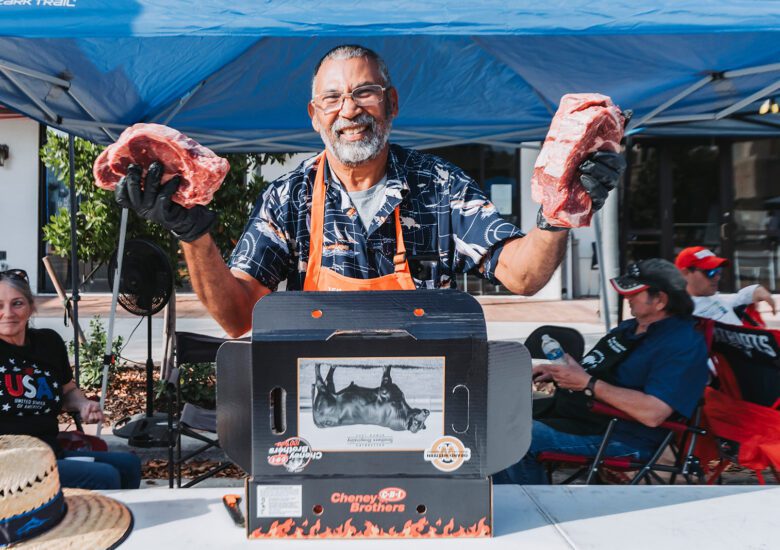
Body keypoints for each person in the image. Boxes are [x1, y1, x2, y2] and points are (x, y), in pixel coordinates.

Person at [115, 44, 625, 337]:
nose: (350, 109)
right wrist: (193, 233)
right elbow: (238, 316)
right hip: (319, 396)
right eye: (332, 98)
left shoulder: (439, 185)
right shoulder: (288, 198)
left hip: (433, 399)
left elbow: (522, 275)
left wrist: (560, 211)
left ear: (392, 102)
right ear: (315, 117)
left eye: (364, 92)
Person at [493, 259, 709, 484]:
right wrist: (563, 371)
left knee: (509, 438)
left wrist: (588, 384)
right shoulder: (630, 328)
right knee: (490, 418)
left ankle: (531, 508)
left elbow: (654, 413)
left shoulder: (682, 344)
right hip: (578, 413)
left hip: (621, 434)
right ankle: (491, 504)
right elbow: (594, 368)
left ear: (660, 300)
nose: (627, 298)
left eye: (635, 292)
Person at [0, 269, 141, 490]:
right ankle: (100, 524)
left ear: (31, 307)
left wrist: (84, 404)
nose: (8, 313)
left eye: (17, 303)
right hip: (10, 464)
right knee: (105, 476)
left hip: (48, 453)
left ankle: (126, 522)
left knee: (129, 465)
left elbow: (67, 391)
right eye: (0, 305)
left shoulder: (48, 343)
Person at [675, 246, 776, 325]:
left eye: (718, 271)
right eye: (710, 272)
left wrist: (756, 290)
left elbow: (737, 298)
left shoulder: (715, 298)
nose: (717, 277)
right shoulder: (681, 313)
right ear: (685, 273)